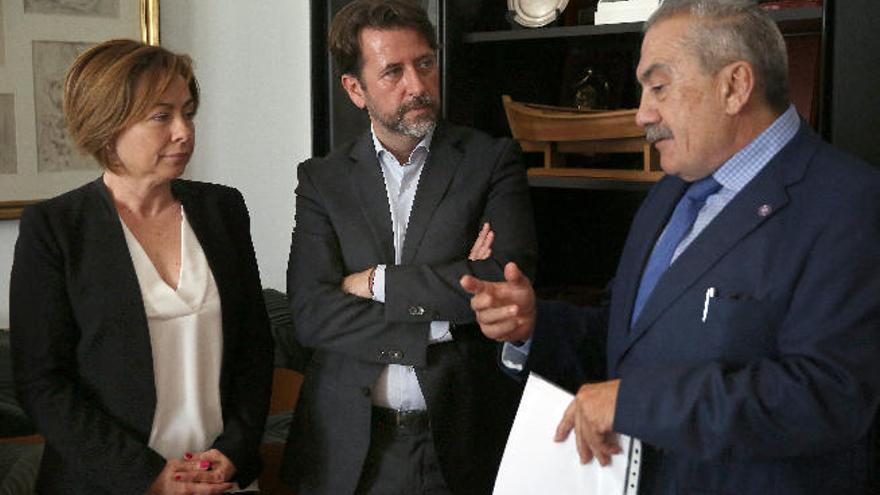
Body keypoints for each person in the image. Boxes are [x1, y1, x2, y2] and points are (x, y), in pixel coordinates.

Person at [460, 1, 880, 493]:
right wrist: (535, 326)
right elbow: (628, 337)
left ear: (735, 86)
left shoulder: (850, 203)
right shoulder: (671, 191)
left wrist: (636, 402)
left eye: (658, 87)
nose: (641, 113)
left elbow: (827, 397)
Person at [281, 1, 538, 493]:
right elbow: (312, 313)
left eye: (424, 63)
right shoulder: (323, 180)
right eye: (393, 72)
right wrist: (441, 323)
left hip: (459, 443)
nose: (417, 86)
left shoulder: (489, 160)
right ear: (355, 89)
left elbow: (504, 280)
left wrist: (376, 282)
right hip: (348, 448)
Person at [10, 39, 274, 494]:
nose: (184, 131)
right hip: (110, 482)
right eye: (161, 116)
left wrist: (233, 451)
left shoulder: (222, 209)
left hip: (219, 481)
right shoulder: (55, 228)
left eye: (188, 112)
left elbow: (254, 345)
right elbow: (42, 383)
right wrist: (148, 476)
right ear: (108, 125)